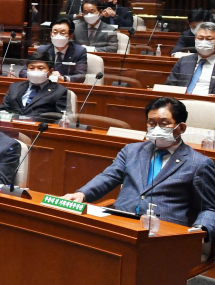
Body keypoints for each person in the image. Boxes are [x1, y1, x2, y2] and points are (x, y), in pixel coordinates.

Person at [64, 98, 215, 237]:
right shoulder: (131, 151)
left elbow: (209, 208)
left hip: (164, 234)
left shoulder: (199, 164)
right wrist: (82, 194)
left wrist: (200, 231)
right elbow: (108, 177)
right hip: (120, 224)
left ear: (181, 128)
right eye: (151, 123)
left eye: (163, 124)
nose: (156, 128)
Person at [0, 57, 68, 121]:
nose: (35, 71)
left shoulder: (59, 91)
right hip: (12, 128)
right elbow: (2, 110)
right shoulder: (14, 87)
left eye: (40, 68)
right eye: (31, 68)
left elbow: (60, 119)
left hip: (39, 130)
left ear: (50, 71)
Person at [33, 18, 89, 82]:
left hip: (67, 87)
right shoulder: (42, 50)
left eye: (62, 33)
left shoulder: (79, 51)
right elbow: (24, 72)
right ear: (51, 34)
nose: (58, 36)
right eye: (55, 32)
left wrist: (63, 78)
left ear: (70, 36)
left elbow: (81, 76)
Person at [166, 23, 215, 94]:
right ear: (195, 39)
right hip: (182, 102)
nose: (204, 42)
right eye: (200, 38)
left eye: (209, 39)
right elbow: (169, 86)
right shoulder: (184, 61)